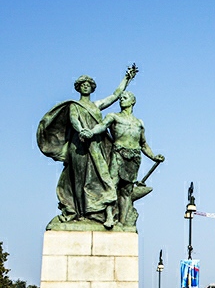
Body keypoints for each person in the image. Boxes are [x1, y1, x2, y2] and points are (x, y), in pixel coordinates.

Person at [37, 66, 137, 229]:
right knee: (78, 179)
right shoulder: (74, 105)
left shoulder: (96, 105)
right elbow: (74, 119)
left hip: (95, 146)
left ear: (92, 88)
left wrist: (126, 79)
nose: (85, 86)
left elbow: (115, 95)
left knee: (101, 178)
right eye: (82, 84)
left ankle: (100, 211)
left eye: (88, 84)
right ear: (78, 87)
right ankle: (77, 212)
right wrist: (82, 131)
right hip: (78, 146)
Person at [82, 90, 164, 228]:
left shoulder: (139, 122)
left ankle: (122, 221)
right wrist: (91, 132)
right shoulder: (113, 116)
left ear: (132, 101)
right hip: (118, 154)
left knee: (127, 191)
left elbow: (143, 143)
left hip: (134, 158)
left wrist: (153, 156)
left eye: (125, 98)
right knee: (112, 185)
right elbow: (102, 126)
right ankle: (108, 217)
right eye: (120, 98)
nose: (121, 100)